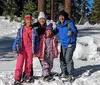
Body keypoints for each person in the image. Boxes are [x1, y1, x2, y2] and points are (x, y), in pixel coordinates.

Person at [12, 14, 39, 85]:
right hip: (22, 49)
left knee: (29, 64)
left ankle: (26, 77)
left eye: (30, 19)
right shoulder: (21, 29)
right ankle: (17, 79)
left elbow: (36, 41)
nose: (28, 21)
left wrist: (36, 51)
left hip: (30, 49)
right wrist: (14, 47)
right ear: (25, 20)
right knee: (19, 64)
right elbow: (17, 39)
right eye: (27, 19)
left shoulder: (34, 30)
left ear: (31, 20)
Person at [54, 10, 78, 81]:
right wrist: (48, 30)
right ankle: (64, 72)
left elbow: (76, 32)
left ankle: (70, 74)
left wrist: (72, 33)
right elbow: (54, 31)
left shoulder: (69, 23)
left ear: (65, 17)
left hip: (71, 44)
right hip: (63, 44)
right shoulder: (58, 25)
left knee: (68, 58)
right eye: (60, 16)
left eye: (62, 16)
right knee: (62, 58)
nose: (61, 17)